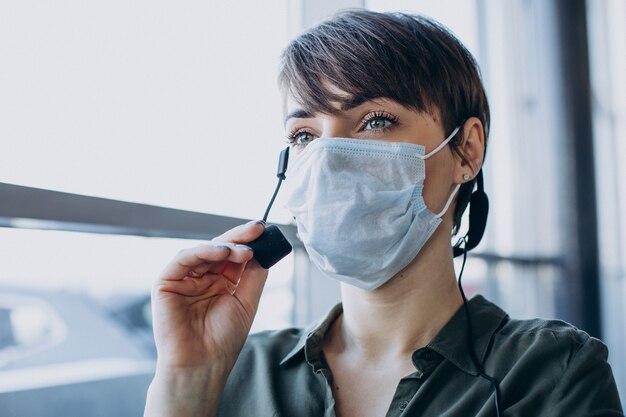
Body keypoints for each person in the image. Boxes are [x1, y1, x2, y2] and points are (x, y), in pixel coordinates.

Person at [143, 10, 623, 417]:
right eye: (304, 136)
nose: (328, 156)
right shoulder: (239, 367)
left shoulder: (550, 371)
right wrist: (186, 383)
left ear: (466, 150)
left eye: (375, 121)